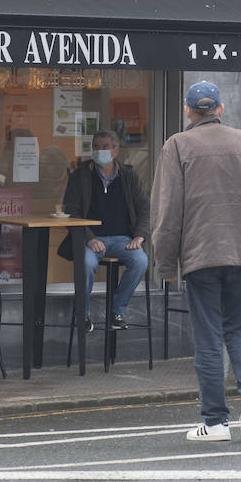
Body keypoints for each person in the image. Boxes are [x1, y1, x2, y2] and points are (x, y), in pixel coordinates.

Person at [151, 81, 241, 442]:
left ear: (187, 111)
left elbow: (168, 212)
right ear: (221, 110)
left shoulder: (177, 145)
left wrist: (165, 264)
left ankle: (214, 422)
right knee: (238, 330)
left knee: (208, 338)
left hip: (201, 255)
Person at [58, 130, 149, 332]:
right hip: (91, 239)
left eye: (105, 147)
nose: (100, 151)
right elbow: (70, 211)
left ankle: (116, 310)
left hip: (122, 239)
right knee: (86, 262)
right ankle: (83, 314)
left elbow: (144, 207)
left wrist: (140, 236)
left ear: (115, 151)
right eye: (96, 147)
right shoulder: (80, 175)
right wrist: (89, 238)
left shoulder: (128, 175)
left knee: (141, 261)